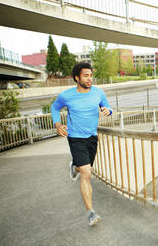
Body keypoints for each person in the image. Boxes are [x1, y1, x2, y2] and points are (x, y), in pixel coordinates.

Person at [51, 61, 112, 226]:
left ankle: (74, 166)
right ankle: (91, 212)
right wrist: (58, 125)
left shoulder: (98, 93)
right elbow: (54, 108)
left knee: (84, 169)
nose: (90, 78)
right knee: (86, 173)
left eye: (91, 75)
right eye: (86, 75)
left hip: (92, 138)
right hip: (76, 138)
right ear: (77, 78)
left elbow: (107, 107)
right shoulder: (66, 95)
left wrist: (108, 110)